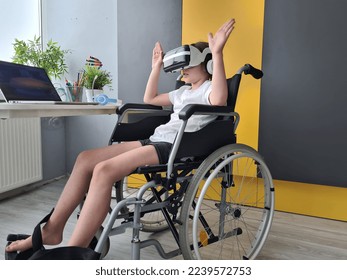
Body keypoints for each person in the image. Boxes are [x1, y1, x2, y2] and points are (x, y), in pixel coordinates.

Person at [6, 18, 235, 254]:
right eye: (181, 67)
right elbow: (150, 99)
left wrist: (216, 54)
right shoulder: (181, 91)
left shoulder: (209, 89)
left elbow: (219, 100)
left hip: (176, 146)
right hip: (156, 140)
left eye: (189, 65)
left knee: (104, 170)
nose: (183, 70)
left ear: (206, 67)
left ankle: (74, 251)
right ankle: (52, 230)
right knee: (86, 158)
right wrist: (156, 67)